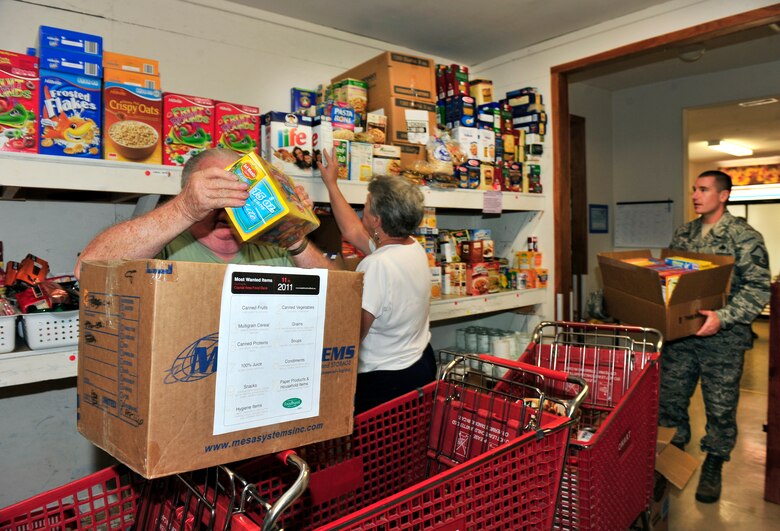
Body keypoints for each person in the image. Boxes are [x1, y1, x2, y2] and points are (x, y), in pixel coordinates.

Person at [658, 170, 770, 504]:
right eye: (694, 188)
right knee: (671, 400)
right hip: (682, 336)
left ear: (723, 195)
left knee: (719, 406)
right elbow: (672, 278)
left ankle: (715, 460)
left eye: (703, 189)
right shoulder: (685, 232)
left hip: (722, 340)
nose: (695, 195)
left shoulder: (744, 236)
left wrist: (723, 317)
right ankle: (670, 458)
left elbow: (758, 287)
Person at [75, 148, 332, 276]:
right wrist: (183, 209)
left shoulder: (271, 247)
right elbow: (87, 269)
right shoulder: (166, 248)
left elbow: (337, 298)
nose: (227, 208)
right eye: (216, 190)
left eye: (241, 191)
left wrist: (292, 233)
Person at [318, 150, 436, 414]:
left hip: (386, 382)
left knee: (378, 453)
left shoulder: (376, 266)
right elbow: (352, 230)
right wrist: (331, 184)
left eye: (367, 206)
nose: (363, 211)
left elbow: (353, 334)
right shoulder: (412, 247)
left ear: (377, 220)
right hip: (420, 366)